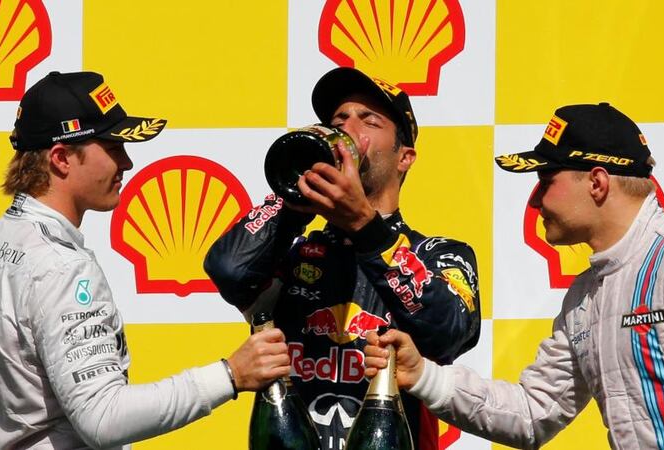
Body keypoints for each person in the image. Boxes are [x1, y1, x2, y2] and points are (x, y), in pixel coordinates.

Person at [363, 102, 664, 449]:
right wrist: (423, 376)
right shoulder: (587, 295)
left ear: (597, 182)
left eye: (546, 180)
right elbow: (534, 413)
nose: (535, 200)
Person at [0, 71, 292, 449]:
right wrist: (230, 375)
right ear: (62, 158)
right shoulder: (61, 267)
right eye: (112, 147)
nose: (127, 162)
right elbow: (103, 418)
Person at [204, 67, 481, 450]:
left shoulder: (440, 255)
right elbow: (229, 270)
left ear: (405, 157)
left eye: (369, 120)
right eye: (338, 120)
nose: (349, 128)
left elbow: (447, 334)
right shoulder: (294, 255)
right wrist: (300, 196)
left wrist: (366, 228)